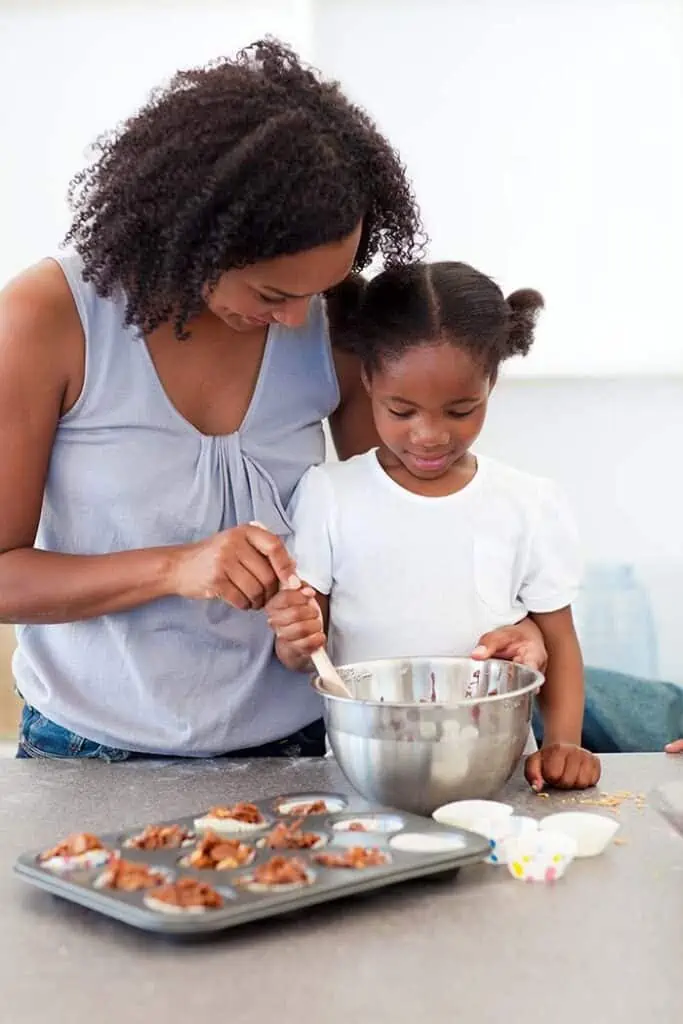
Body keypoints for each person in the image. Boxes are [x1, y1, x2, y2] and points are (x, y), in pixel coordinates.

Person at [0, 40, 546, 761]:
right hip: (87, 748)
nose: (299, 320)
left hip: (298, 744)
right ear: (191, 240)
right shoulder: (45, 321)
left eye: (317, 291)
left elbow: (403, 529)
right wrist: (176, 567)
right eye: (271, 294)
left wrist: (516, 628)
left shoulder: (335, 322)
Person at [267, 262, 601, 790]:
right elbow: (305, 651)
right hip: (366, 772)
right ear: (368, 380)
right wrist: (291, 637)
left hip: (501, 770)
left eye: (460, 410)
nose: (429, 436)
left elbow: (558, 640)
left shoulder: (528, 502)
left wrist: (565, 744)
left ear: (491, 382)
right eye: (402, 411)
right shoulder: (330, 494)